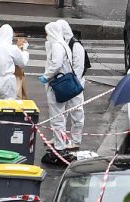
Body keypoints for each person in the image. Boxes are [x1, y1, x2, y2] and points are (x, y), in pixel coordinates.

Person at [39, 22, 75, 163]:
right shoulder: (62, 44)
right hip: (63, 84)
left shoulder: (57, 46)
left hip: (57, 85)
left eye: (47, 32)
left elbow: (56, 64)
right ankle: (61, 146)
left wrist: (46, 76)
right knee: (60, 116)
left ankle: (59, 148)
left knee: (57, 117)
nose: (46, 35)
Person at [56, 19, 85, 150]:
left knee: (77, 112)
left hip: (74, 85)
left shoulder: (76, 46)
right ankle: (60, 137)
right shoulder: (63, 43)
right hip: (66, 84)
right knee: (61, 113)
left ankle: (76, 140)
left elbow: (78, 68)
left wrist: (70, 84)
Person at [0, 24, 29, 100]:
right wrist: (24, 50)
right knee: (9, 107)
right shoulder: (11, 48)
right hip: (6, 82)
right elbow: (22, 63)